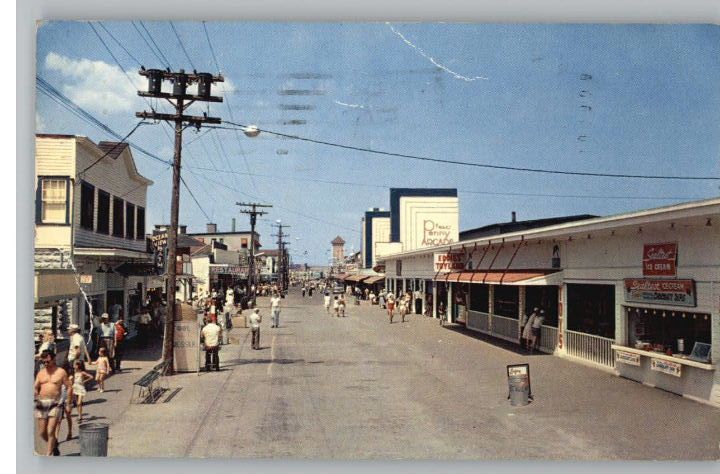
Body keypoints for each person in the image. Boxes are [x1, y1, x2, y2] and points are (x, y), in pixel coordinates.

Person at [34, 349, 71, 456]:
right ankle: (54, 445)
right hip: (41, 403)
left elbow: (69, 387)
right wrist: (35, 392)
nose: (45, 364)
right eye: (43, 362)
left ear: (54, 359)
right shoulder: (41, 373)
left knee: (51, 431)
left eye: (48, 361)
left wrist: (68, 403)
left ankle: (48, 455)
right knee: (42, 433)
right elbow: (36, 386)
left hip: (56, 403)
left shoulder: (61, 372)